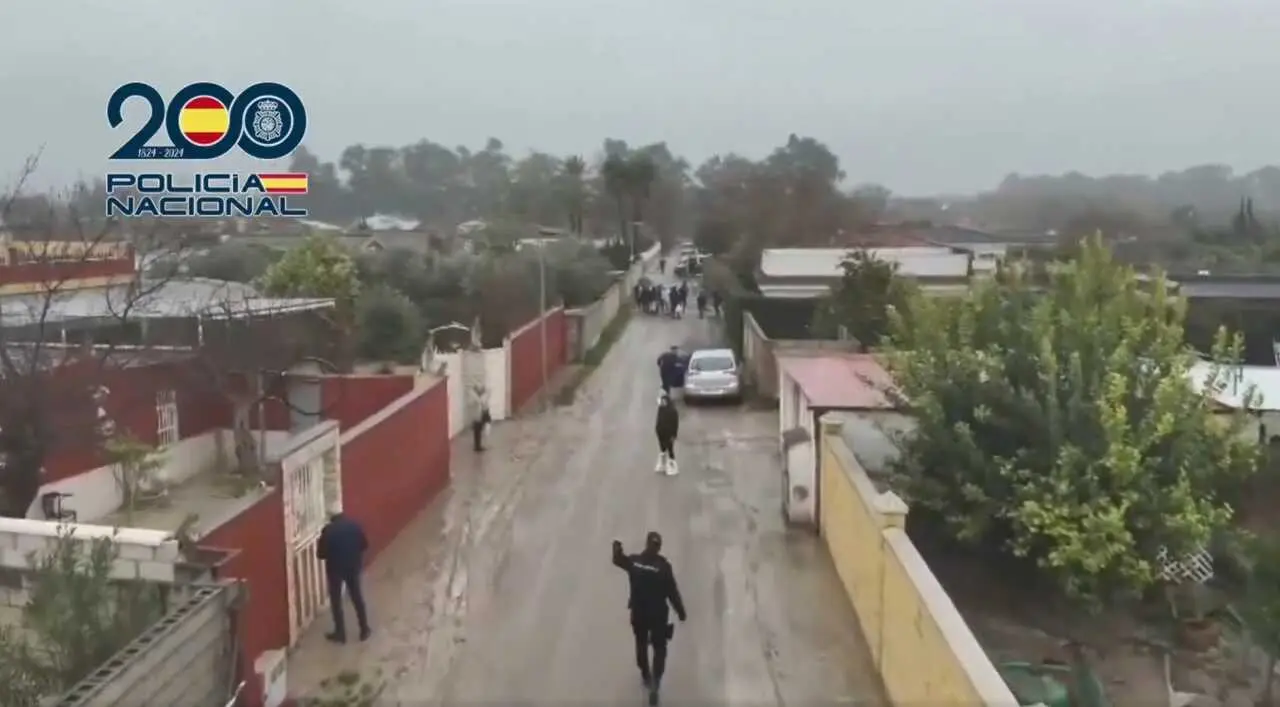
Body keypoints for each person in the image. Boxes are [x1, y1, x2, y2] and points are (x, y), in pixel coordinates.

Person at [613, 532, 686, 705]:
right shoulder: (663, 567)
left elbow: (618, 560)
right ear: (659, 547)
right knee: (660, 648)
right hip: (658, 615)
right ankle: (655, 683)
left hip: (639, 614)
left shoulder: (635, 561)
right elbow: (672, 592)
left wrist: (616, 548)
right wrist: (681, 612)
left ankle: (645, 674)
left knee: (641, 643)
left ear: (646, 544)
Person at [317, 512, 371, 642]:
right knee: (356, 597)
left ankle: (340, 633)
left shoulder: (328, 531)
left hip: (335, 569)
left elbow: (321, 554)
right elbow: (364, 545)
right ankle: (364, 629)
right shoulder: (354, 526)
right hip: (353, 567)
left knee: (336, 602)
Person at [654, 390, 679, 475]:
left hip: (669, 434)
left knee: (670, 449)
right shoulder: (661, 409)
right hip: (661, 432)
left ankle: (673, 467)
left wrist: (674, 435)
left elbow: (675, 424)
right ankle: (662, 465)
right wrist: (657, 429)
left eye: (663, 401)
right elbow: (658, 420)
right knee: (662, 449)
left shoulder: (673, 411)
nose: (662, 402)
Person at [468, 383, 491, 452]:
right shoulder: (473, 396)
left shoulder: (482, 395)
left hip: (482, 413)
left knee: (482, 427)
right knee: (477, 430)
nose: (480, 390)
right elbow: (475, 403)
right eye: (479, 389)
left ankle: (479, 445)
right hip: (477, 415)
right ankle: (477, 447)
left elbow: (483, 400)